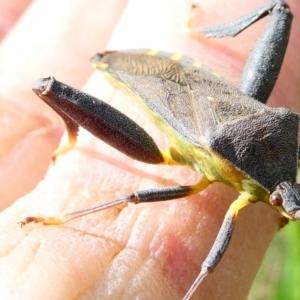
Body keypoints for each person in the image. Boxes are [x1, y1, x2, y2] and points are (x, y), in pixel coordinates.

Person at [0, 0, 299, 299]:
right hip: (162, 102)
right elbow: (207, 265)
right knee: (49, 88)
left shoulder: (279, 161)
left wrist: (283, 203)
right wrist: (58, 220)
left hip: (188, 80)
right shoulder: (244, 186)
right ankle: (69, 160)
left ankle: (192, 30)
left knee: (280, 8)